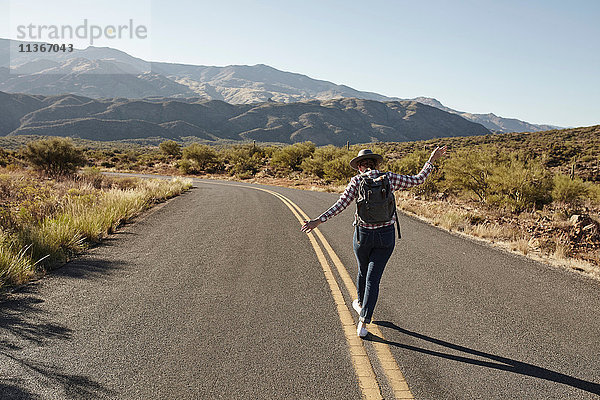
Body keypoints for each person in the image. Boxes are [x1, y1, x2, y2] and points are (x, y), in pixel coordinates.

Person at [301, 146, 447, 337]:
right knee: (373, 279)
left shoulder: (356, 181)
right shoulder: (389, 178)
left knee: (363, 271)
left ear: (360, 166)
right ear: (376, 164)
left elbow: (340, 205)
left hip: (363, 236)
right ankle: (363, 320)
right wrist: (431, 159)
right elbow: (418, 180)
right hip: (386, 236)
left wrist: (317, 221)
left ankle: (361, 307)